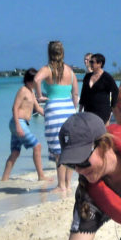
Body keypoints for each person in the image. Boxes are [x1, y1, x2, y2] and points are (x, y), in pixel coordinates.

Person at [34, 40, 79, 192]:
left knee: (58, 149)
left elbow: (36, 79)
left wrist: (39, 96)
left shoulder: (48, 69)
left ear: (49, 52)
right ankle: (67, 183)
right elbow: (75, 93)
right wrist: (73, 109)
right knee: (70, 148)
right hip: (69, 110)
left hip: (54, 109)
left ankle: (61, 185)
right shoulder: (70, 71)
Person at [2, 68, 46, 181]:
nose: (38, 83)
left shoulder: (31, 92)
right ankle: (41, 176)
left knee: (15, 152)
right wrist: (18, 126)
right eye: (36, 81)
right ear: (29, 81)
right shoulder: (23, 90)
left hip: (20, 124)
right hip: (18, 123)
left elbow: (38, 108)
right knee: (37, 146)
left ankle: (4, 179)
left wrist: (50, 116)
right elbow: (15, 108)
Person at [79, 53, 118, 124]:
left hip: (102, 111)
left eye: (92, 62)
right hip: (88, 111)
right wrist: (80, 110)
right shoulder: (87, 77)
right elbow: (83, 94)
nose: (90, 64)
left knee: (102, 133)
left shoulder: (107, 77)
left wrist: (111, 108)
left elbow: (115, 91)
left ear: (99, 63)